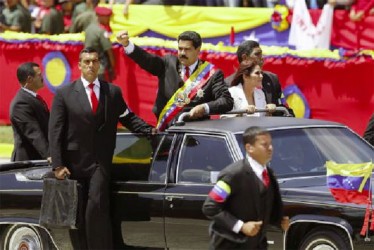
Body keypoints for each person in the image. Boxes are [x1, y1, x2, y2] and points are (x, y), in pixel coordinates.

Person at [49, 47, 155, 249]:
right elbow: (55, 131)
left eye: (94, 61)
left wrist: (150, 132)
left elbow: (128, 118)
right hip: (72, 165)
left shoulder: (112, 92)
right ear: (79, 65)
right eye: (86, 62)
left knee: (96, 208)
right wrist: (57, 165)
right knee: (76, 213)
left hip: (100, 163)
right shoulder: (64, 94)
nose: (91, 65)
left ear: (99, 64)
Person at [116, 30, 234, 131]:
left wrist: (205, 107)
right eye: (180, 49)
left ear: (198, 50)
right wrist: (127, 45)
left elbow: (226, 101)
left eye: (187, 49)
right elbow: (147, 60)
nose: (182, 53)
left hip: (195, 136)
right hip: (166, 132)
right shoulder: (168, 63)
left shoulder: (212, 74)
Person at [202, 126, 289, 249]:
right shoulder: (233, 175)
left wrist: (279, 221)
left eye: (271, 144)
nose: (270, 148)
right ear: (249, 148)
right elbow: (211, 207)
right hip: (230, 245)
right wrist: (241, 226)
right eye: (264, 145)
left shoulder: (269, 174)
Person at [226, 40, 294, 117]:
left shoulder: (272, 79)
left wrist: (273, 111)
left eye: (261, 54)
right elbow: (225, 117)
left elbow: (284, 107)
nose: (262, 58)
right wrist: (241, 113)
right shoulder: (228, 84)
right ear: (245, 58)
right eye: (257, 54)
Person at [9, 62, 49, 162]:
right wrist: (49, 155)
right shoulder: (21, 103)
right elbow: (34, 133)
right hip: (27, 163)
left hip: (37, 159)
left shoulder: (32, 98)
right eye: (39, 75)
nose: (42, 78)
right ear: (30, 79)